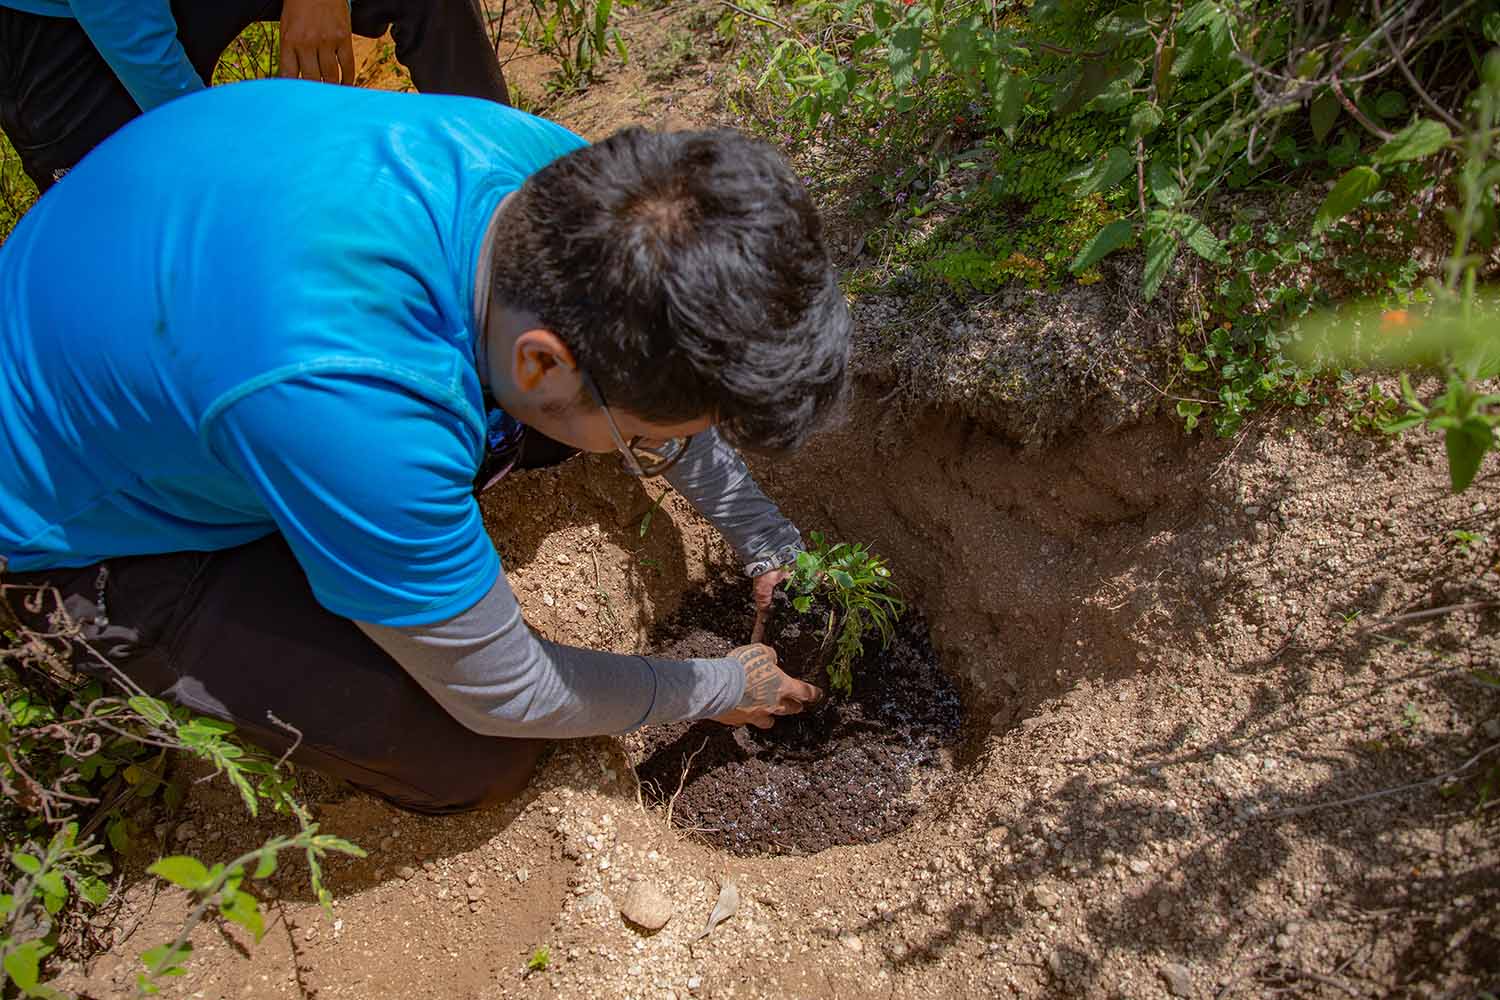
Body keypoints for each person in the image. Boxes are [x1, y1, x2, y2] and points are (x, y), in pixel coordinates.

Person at [0, 79, 846, 814]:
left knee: (558, 431)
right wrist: (722, 684)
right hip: (81, 528)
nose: (652, 454)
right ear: (542, 361)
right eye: (644, 445)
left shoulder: (574, 194)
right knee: (471, 757)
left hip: (195, 330)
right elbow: (505, 693)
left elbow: (660, 378)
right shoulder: (358, 410)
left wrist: (767, 544)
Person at [0, 0, 509, 192]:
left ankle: (509, 199)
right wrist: (229, 151)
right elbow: (128, 28)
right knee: (138, 239)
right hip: (61, 30)